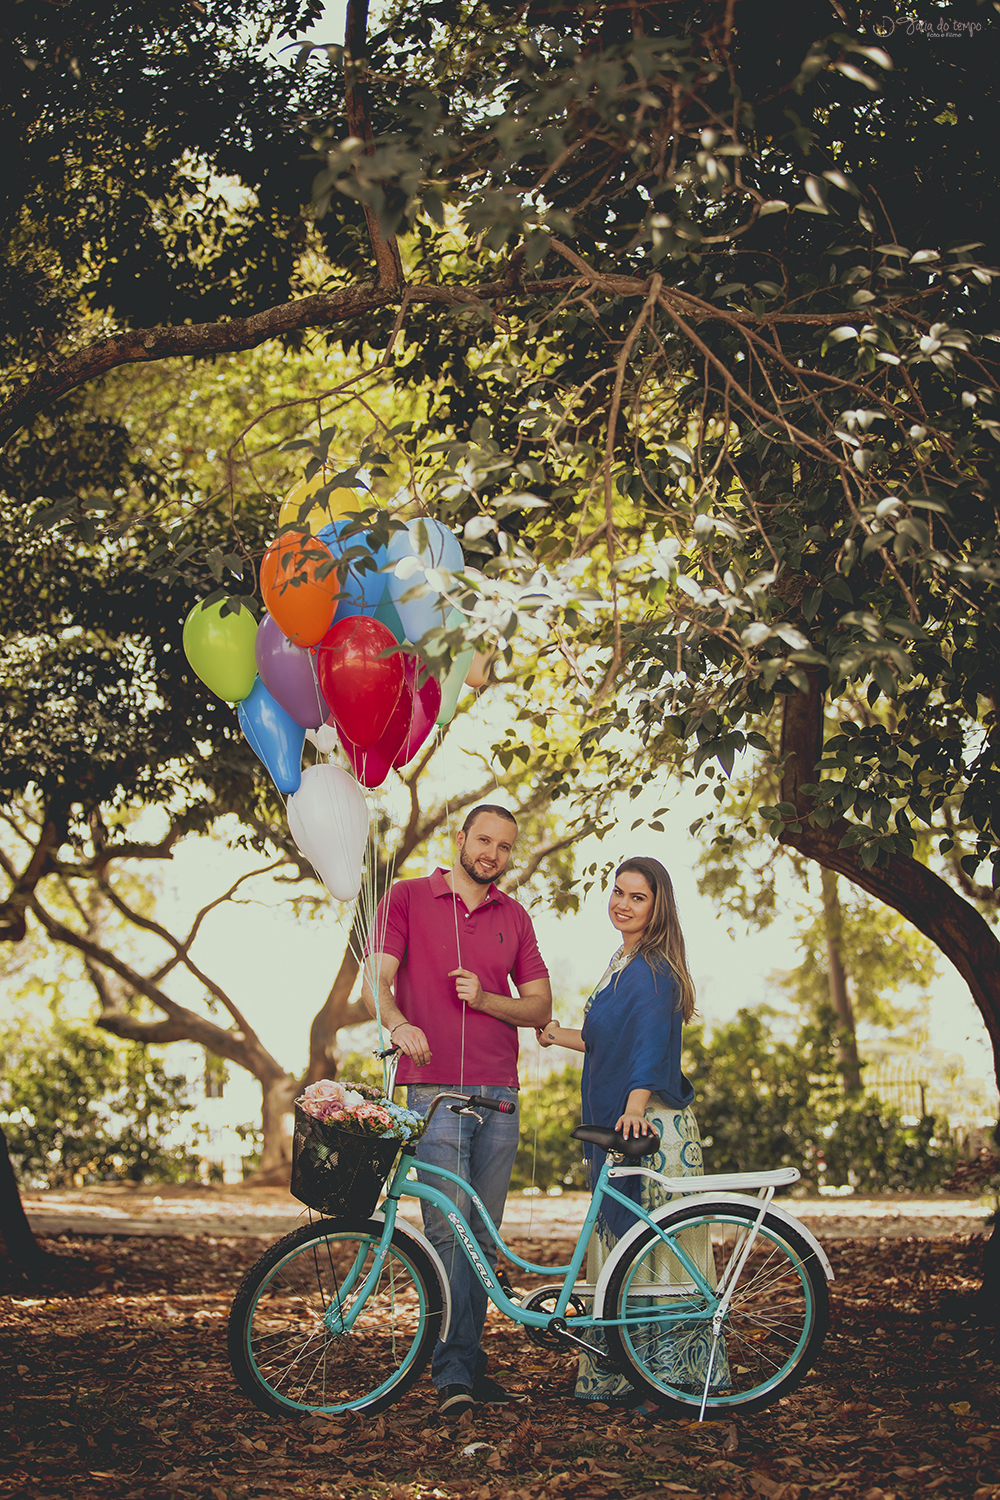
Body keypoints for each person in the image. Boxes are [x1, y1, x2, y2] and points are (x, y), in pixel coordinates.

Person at [361, 804, 552, 1417]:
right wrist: (396, 1023)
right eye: (483, 840)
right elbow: (378, 977)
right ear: (461, 840)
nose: (491, 853)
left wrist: (489, 999)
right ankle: (454, 1374)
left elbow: (541, 1007)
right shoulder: (409, 897)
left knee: (482, 1242)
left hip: (499, 1096)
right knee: (448, 1233)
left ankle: (467, 1363)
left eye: (503, 846)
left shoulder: (515, 917)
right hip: (432, 1093)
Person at [538, 855, 714, 1409]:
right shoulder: (622, 960)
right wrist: (554, 1033)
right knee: (621, 1251)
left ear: (657, 906)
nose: (623, 903)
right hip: (620, 1114)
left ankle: (668, 1380)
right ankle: (622, 1375)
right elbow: (603, 1041)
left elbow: (649, 1049)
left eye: (637, 897)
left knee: (654, 1252)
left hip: (648, 1122)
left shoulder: (657, 969)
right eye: (618, 892)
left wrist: (635, 1107)